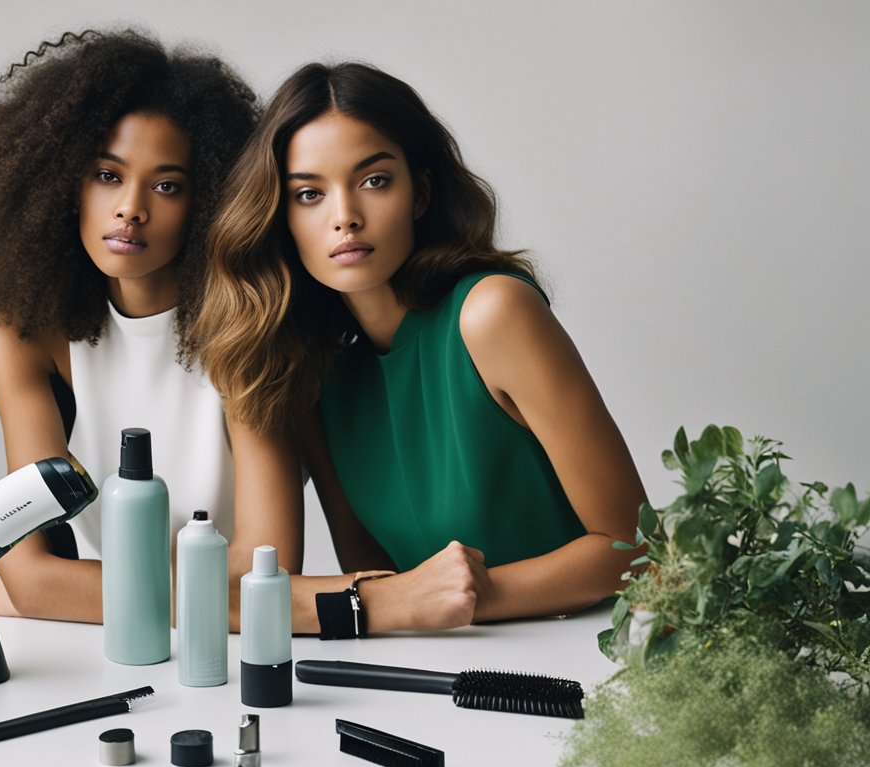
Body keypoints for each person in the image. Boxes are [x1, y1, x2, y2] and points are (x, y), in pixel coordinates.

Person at [194, 62, 647, 635]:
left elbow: (635, 549)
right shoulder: (313, 371)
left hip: (589, 649)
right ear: (281, 218)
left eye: (375, 180)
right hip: (436, 665)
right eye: (309, 194)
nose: (345, 218)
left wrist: (477, 594)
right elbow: (377, 577)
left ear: (421, 193)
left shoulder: (492, 314)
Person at [0, 30, 314, 626]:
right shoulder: (24, 334)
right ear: (64, 182)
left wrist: (53, 592)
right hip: (99, 650)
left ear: (208, 202)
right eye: (108, 176)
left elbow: (266, 574)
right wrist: (36, 592)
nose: (131, 208)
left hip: (224, 654)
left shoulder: (246, 328)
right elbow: (31, 576)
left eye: (167, 186)